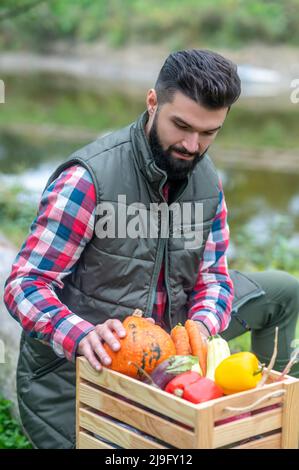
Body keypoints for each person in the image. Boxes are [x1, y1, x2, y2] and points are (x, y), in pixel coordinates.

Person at [3, 49, 299, 449]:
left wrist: (203, 328)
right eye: (181, 126)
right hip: (88, 368)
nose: (193, 145)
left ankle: (265, 416)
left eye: (209, 132)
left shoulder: (207, 181)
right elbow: (25, 284)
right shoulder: (88, 180)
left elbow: (213, 275)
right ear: (152, 102)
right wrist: (81, 335)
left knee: (283, 289)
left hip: (172, 339)